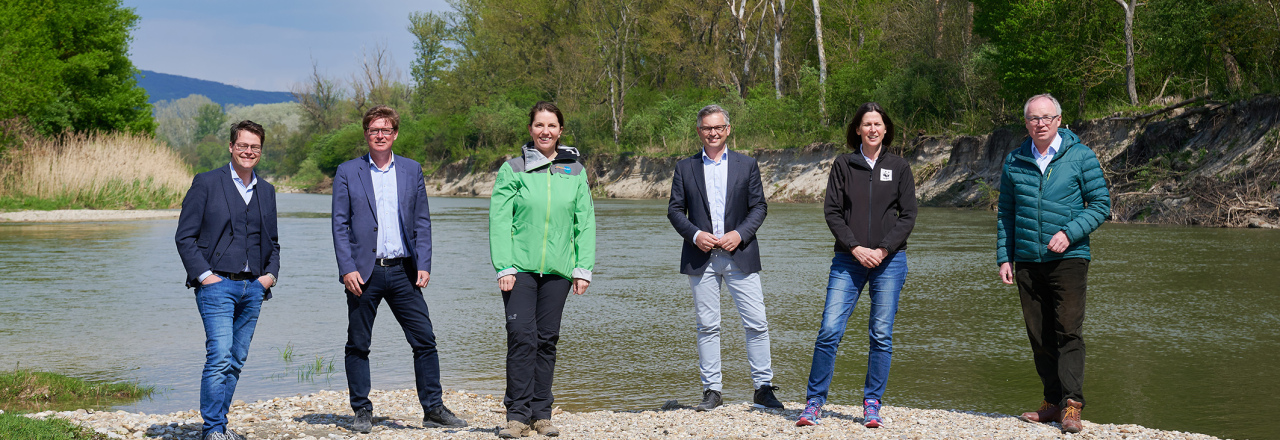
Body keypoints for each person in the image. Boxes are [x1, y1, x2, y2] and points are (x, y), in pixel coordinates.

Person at [331, 105, 467, 433]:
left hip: (404, 269)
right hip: (365, 272)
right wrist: (347, 268)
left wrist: (425, 263)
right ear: (366, 134)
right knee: (358, 343)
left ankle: (433, 409)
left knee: (424, 340)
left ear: (395, 134)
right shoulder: (348, 171)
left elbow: (422, 220)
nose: (380, 135)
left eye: (386, 130)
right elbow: (339, 224)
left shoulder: (411, 170)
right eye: (374, 130)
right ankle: (362, 411)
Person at [795, 103, 917, 429]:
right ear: (859, 130)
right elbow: (832, 212)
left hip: (889, 262)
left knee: (880, 334)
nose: (873, 129)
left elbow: (908, 216)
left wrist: (882, 249)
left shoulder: (899, 166)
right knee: (830, 330)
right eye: (867, 124)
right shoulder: (844, 165)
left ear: (886, 129)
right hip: (848, 260)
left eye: (878, 124)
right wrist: (856, 247)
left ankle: (872, 404)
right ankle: (814, 403)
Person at [997, 94, 1110, 434]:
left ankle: (1072, 405)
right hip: (1028, 260)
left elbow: (1101, 204)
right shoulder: (1015, 160)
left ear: (1059, 120)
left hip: (1069, 258)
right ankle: (1050, 402)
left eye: (1047, 117)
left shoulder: (1080, 156)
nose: (1040, 123)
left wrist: (1069, 233)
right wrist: (1005, 256)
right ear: (1027, 123)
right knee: (1039, 334)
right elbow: (1006, 212)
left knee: (1068, 331)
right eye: (1034, 118)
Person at [488, 101, 596, 438]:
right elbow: (499, 220)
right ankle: (517, 416)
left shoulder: (575, 170)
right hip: (518, 269)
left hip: (559, 271)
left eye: (551, 126)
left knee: (547, 339)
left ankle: (541, 413)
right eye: (539, 125)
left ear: (560, 130)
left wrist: (582, 268)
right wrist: (503, 265)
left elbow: (585, 222)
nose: (545, 131)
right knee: (522, 337)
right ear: (530, 129)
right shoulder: (513, 169)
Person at [667, 104, 782, 412]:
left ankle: (763, 388)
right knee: (707, 326)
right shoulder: (684, 167)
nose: (713, 133)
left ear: (728, 129)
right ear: (698, 132)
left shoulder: (747, 165)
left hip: (739, 254)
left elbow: (759, 207)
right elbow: (675, 211)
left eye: (718, 127)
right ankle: (712, 391)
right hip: (700, 256)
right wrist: (695, 235)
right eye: (707, 128)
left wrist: (739, 234)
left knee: (757, 323)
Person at [175, 120, 280, 440]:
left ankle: (219, 425)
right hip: (217, 285)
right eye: (243, 145)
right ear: (232, 147)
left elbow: (273, 242)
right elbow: (185, 237)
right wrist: (205, 277)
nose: (249, 151)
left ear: (260, 151)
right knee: (220, 354)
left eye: (255, 147)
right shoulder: (206, 183)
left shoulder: (267, 190)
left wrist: (270, 276)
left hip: (253, 288)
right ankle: (213, 430)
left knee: (235, 360)